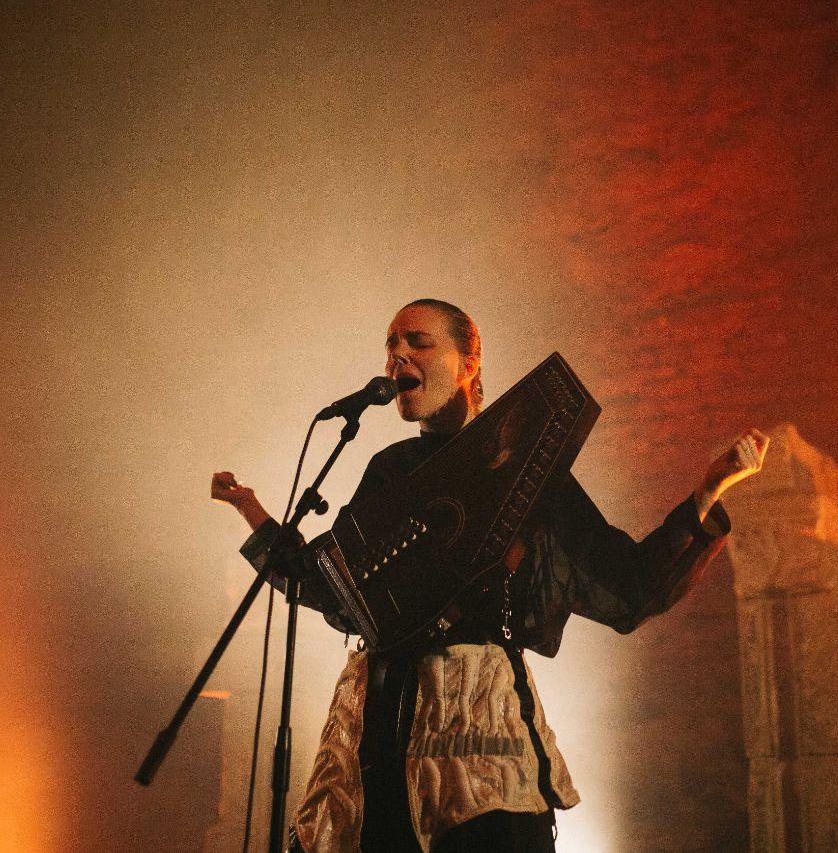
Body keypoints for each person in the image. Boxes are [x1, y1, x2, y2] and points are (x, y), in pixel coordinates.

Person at [213, 299, 769, 852]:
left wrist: (709, 490)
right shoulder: (390, 469)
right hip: (379, 727)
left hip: (477, 730)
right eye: (391, 344)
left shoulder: (527, 471)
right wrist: (252, 510)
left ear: (468, 362)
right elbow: (334, 588)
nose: (397, 354)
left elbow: (627, 586)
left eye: (418, 341)